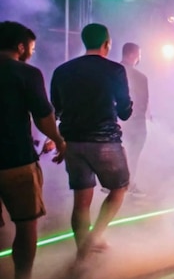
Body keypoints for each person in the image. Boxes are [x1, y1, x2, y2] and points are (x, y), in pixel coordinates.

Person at [50, 23, 132, 261]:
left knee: (81, 201)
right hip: (106, 141)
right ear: (107, 43)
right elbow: (125, 110)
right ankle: (96, 235)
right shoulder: (115, 70)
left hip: (73, 143)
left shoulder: (63, 71)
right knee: (119, 188)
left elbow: (57, 109)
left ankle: (82, 252)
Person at [0, 22, 66, 279]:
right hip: (17, 161)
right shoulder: (26, 73)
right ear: (21, 47)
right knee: (26, 225)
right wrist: (59, 140)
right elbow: (43, 114)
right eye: (31, 48)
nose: (32, 52)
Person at [120, 42, 150, 198]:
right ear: (132, 54)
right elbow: (142, 101)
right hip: (135, 121)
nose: (140, 58)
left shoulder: (111, 71)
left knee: (120, 151)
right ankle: (128, 183)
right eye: (139, 54)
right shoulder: (140, 77)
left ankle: (118, 182)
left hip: (116, 120)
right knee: (133, 154)